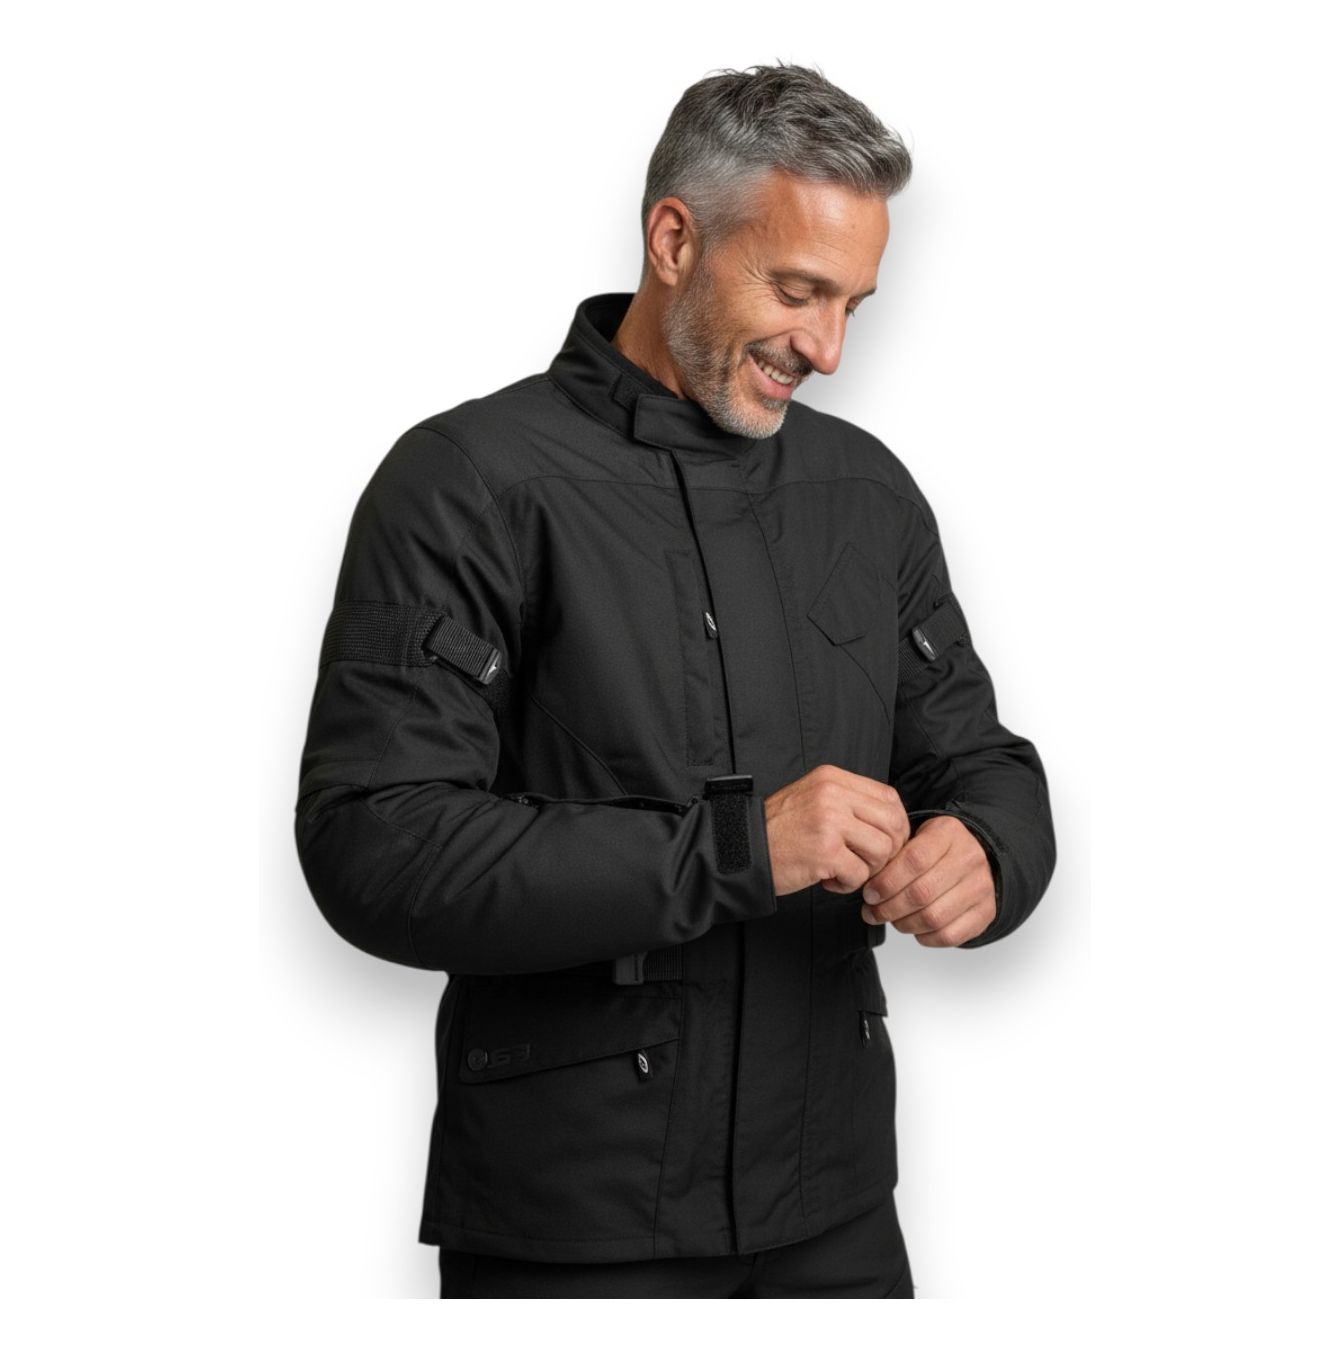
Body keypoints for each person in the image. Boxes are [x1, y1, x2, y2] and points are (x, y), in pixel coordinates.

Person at [293, 60, 1056, 1298]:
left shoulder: (864, 494)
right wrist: (737, 850)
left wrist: (989, 850)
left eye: (853, 304)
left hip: (835, 1212)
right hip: (577, 1223)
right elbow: (376, 845)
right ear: (673, 241)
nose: (828, 349)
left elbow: (980, 762)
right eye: (798, 291)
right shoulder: (470, 486)